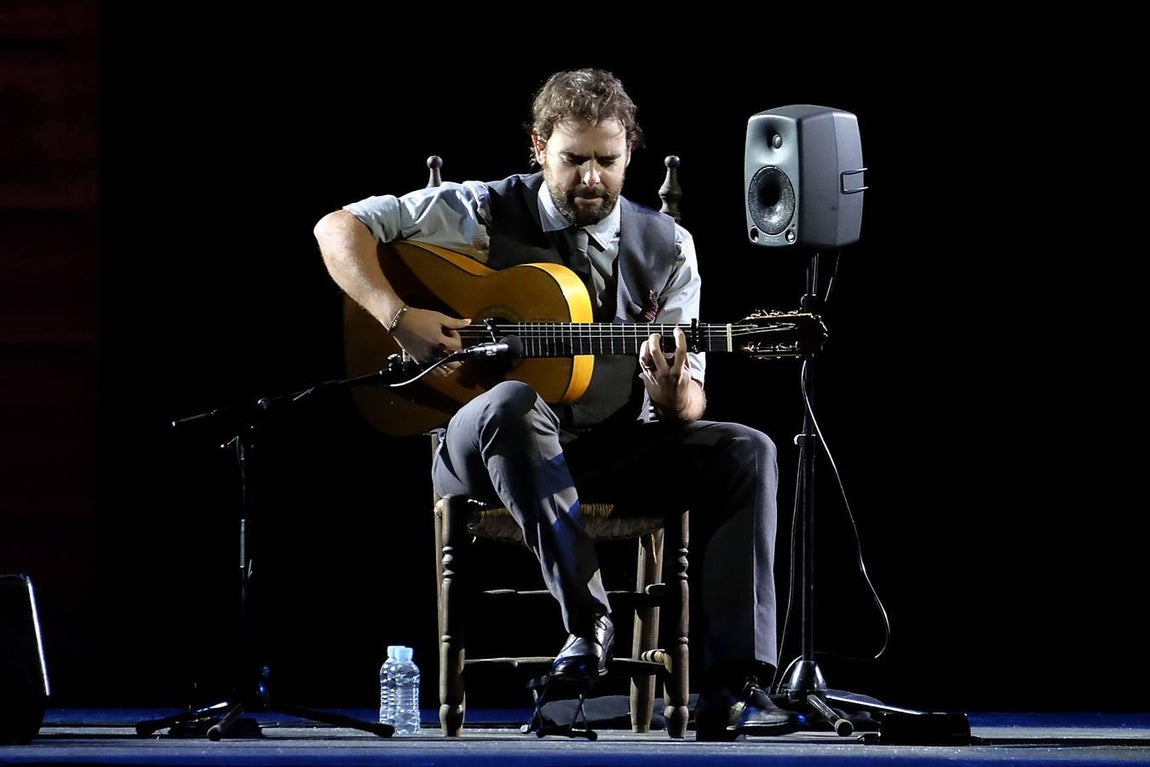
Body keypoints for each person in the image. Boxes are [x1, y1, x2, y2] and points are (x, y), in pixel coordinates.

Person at [313, 68, 795, 741]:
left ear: (630, 153)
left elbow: (688, 400)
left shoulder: (668, 249)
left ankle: (736, 685)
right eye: (574, 160)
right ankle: (588, 616)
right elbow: (336, 228)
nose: (592, 178)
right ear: (538, 147)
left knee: (748, 448)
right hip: (488, 451)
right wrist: (397, 315)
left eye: (608, 160)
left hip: (610, 451)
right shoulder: (478, 209)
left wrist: (673, 392)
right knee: (513, 399)